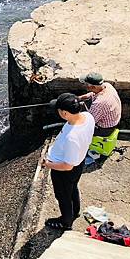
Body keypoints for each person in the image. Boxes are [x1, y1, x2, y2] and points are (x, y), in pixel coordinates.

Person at [42, 93, 95, 230]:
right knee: (72, 188)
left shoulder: (72, 137)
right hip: (80, 161)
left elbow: (67, 166)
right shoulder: (88, 117)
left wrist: (47, 164)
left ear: (65, 113)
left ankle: (66, 222)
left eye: (58, 110)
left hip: (65, 171)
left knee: (63, 196)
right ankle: (75, 211)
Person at [78, 72, 121, 137]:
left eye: (86, 84)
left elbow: (89, 122)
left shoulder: (99, 102)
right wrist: (79, 98)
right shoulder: (107, 86)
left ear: (93, 87)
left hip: (104, 129)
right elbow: (93, 94)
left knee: (78, 128)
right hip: (114, 120)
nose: (84, 85)